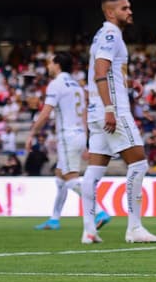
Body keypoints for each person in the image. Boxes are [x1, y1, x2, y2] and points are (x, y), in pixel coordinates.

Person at [80, 0, 156, 245]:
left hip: (97, 110)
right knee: (138, 165)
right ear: (110, 12)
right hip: (112, 110)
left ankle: (89, 230)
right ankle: (134, 227)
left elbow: (106, 72)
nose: (130, 12)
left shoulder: (102, 36)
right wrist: (111, 109)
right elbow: (101, 71)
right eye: (125, 8)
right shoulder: (111, 34)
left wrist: (128, 83)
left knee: (93, 172)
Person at [27, 52, 103, 232]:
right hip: (78, 135)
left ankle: (99, 212)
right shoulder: (77, 86)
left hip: (67, 136)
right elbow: (84, 115)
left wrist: (32, 133)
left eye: (50, 63)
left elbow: (45, 113)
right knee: (60, 176)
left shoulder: (56, 84)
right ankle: (54, 219)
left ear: (58, 64)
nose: (48, 66)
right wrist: (85, 141)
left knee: (70, 180)